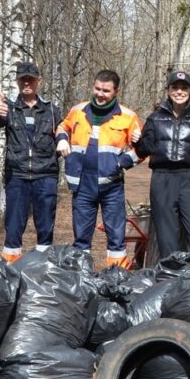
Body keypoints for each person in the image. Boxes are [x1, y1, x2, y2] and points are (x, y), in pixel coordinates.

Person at [55, 69, 142, 267]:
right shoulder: (78, 110)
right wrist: (61, 139)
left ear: (116, 92)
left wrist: (123, 162)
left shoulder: (128, 116)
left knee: (116, 238)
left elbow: (144, 148)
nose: (100, 94)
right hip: (82, 185)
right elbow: (62, 126)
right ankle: (81, 279)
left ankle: (117, 279)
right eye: (97, 88)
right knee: (82, 238)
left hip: (111, 186)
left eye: (106, 91)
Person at [0, 62, 62, 263]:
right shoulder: (9, 108)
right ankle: (11, 270)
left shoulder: (51, 110)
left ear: (39, 81)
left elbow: (63, 136)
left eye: (31, 79)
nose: (27, 83)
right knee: (13, 227)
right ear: (18, 82)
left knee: (45, 227)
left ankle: (44, 271)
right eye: (23, 79)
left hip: (45, 176)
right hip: (17, 176)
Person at [135, 70, 190, 257]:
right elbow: (144, 150)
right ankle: (170, 280)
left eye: (184, 88)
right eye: (175, 87)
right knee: (167, 238)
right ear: (168, 90)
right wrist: (137, 141)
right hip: (163, 179)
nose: (179, 91)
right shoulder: (156, 117)